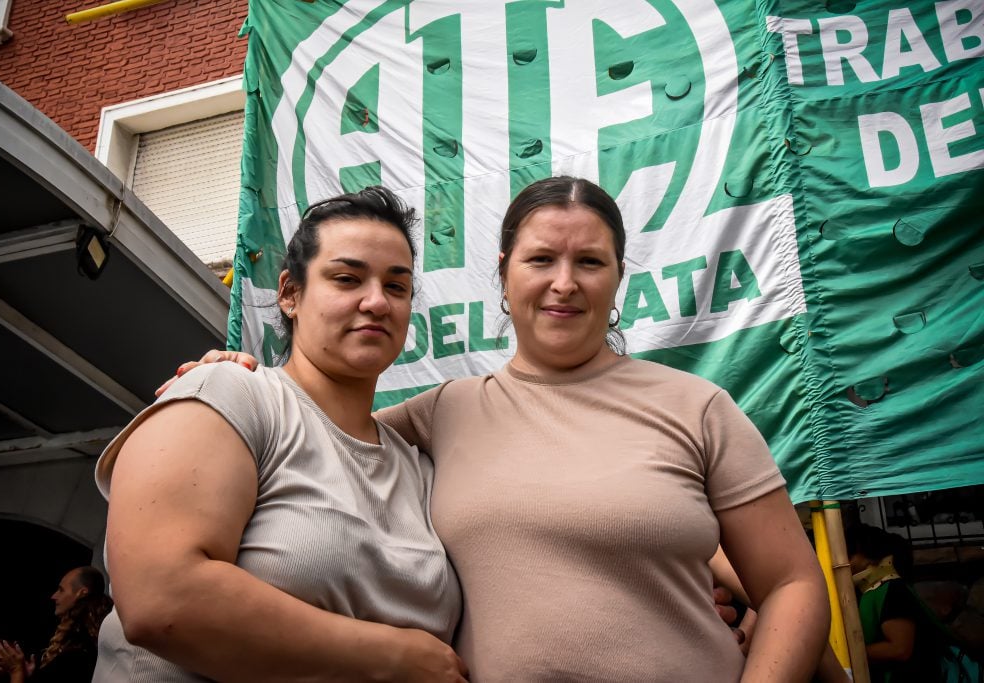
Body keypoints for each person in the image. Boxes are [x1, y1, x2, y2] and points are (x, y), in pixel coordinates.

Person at [172, 176, 830, 681]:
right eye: (541, 259)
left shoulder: (699, 407)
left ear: (619, 278)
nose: (564, 283)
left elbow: (792, 584)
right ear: (504, 274)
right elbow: (313, 420)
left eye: (591, 262)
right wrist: (232, 374)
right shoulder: (442, 412)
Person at [93, 187, 466, 682]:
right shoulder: (229, 393)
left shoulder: (417, 465)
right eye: (347, 278)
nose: (376, 301)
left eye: (396, 287)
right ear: (289, 293)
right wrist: (395, 657)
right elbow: (161, 599)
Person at [846, 523, 975, 683]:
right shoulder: (874, 592)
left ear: (871, 557)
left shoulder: (892, 590)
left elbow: (899, 649)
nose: (845, 563)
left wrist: (848, 654)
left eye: (850, 556)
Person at [0, 567, 112, 683]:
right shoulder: (75, 640)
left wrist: (16, 672)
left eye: (61, 590)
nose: (53, 596)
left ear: (81, 593)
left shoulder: (79, 651)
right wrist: (31, 675)